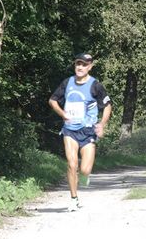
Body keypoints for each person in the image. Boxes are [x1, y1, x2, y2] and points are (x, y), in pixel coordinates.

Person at [49, 53, 112, 212]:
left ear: (90, 66)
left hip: (88, 132)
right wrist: (63, 114)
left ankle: (85, 176)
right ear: (75, 65)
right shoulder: (67, 82)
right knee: (71, 164)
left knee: (84, 170)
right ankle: (73, 199)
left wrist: (102, 124)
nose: (80, 67)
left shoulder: (95, 85)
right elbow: (52, 100)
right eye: (78, 63)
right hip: (70, 130)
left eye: (84, 64)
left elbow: (107, 106)